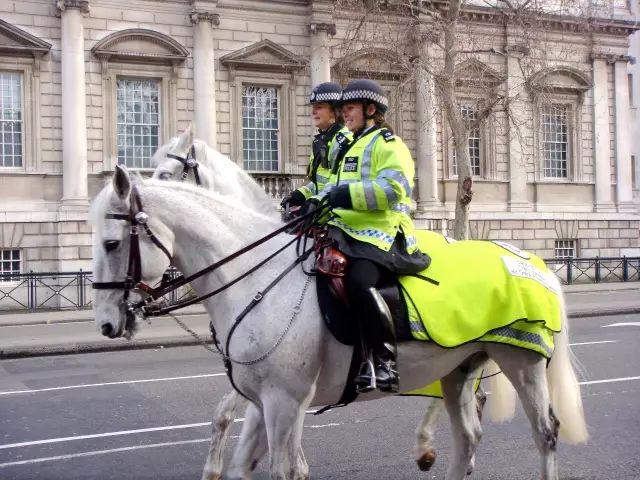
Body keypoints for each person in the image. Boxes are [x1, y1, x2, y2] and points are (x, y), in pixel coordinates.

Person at [308, 79, 430, 393]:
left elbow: (393, 191)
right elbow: (329, 189)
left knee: (359, 283)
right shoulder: (349, 144)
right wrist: (309, 200)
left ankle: (385, 361)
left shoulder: (388, 144)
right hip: (346, 230)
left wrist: (346, 195)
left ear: (370, 109)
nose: (344, 114)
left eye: (349, 108)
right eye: (343, 109)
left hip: (382, 235)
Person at [280, 82, 351, 213]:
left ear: (336, 111)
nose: (313, 112)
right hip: (324, 212)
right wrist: (300, 195)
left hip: (338, 215)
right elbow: (319, 183)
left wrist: (318, 200)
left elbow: (341, 183)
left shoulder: (344, 140)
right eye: (313, 107)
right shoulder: (320, 141)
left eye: (319, 107)